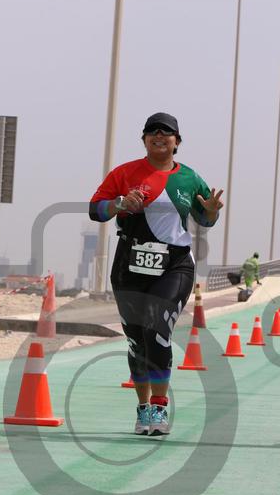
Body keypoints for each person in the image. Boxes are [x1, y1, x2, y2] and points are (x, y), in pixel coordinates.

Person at [89, 112, 223, 436]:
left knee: (157, 329)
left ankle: (160, 407)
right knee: (137, 341)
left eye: (166, 132)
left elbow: (205, 219)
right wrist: (119, 204)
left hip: (175, 265)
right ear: (144, 139)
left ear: (177, 142)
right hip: (129, 265)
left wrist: (211, 212)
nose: (159, 136)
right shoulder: (124, 173)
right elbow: (95, 209)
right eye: (152, 132)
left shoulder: (189, 178)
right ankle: (143, 408)